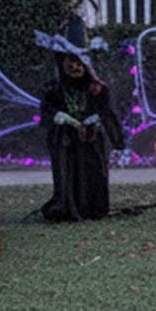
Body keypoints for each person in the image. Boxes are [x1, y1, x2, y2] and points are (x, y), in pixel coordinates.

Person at [36, 18, 124, 222]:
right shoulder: (54, 88)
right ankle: (66, 206)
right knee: (67, 173)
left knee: (91, 172)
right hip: (65, 140)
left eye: (79, 63)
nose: (75, 67)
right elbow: (46, 111)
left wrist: (117, 141)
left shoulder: (97, 89)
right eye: (70, 62)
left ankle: (93, 208)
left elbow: (106, 112)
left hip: (90, 139)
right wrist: (57, 116)